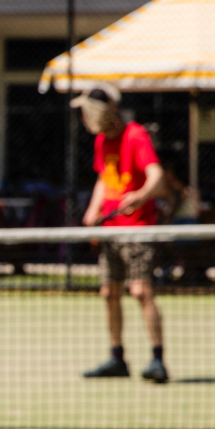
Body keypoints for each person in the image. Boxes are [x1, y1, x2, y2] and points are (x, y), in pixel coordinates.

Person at [78, 84, 168, 382]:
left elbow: (156, 175)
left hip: (138, 229)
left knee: (141, 291)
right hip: (110, 231)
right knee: (109, 293)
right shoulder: (101, 141)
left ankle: (157, 359)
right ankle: (117, 358)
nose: (84, 116)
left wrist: (140, 196)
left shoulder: (135, 135)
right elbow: (104, 178)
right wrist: (93, 210)